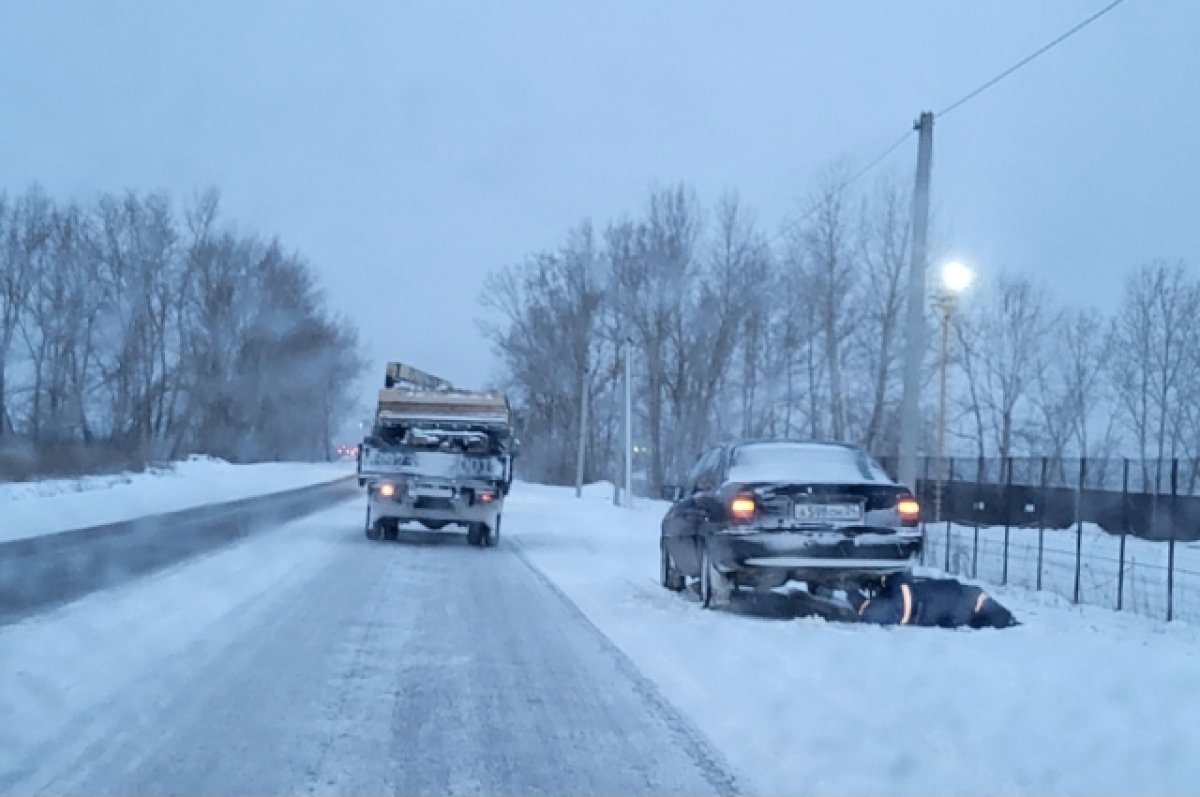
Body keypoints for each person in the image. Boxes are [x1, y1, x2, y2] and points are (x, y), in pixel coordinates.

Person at [853, 571, 1018, 629]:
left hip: (909, 604)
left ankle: (850, 596)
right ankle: (851, 596)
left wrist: (884, 581)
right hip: (910, 604)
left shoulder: (970, 598)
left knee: (873, 612)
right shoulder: (967, 607)